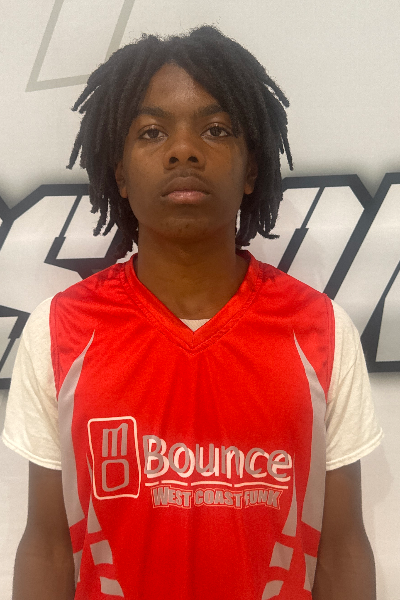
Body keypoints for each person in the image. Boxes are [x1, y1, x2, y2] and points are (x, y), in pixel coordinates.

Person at [2, 26, 383, 600]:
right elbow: (48, 548)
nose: (184, 150)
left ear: (251, 169)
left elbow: (343, 547)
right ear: (120, 173)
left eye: (216, 129)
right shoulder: (61, 330)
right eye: (152, 132)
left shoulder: (319, 331)